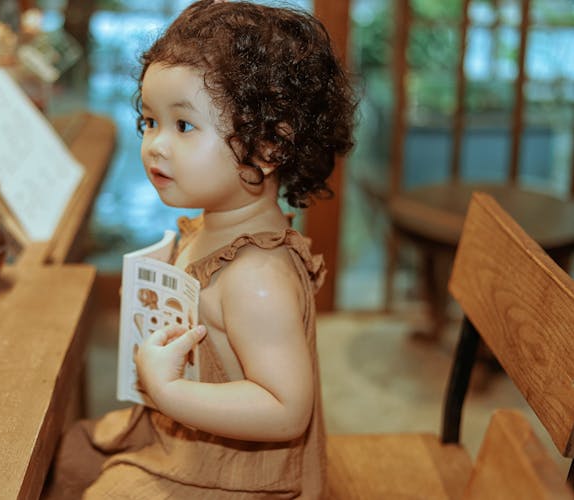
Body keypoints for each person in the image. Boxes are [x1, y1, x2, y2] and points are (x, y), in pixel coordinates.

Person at [43, 1, 356, 498]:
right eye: (149, 121)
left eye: (183, 126)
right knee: (63, 457)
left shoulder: (257, 278)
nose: (155, 145)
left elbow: (285, 410)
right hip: (187, 435)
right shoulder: (215, 227)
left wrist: (169, 393)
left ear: (267, 147)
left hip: (237, 474)